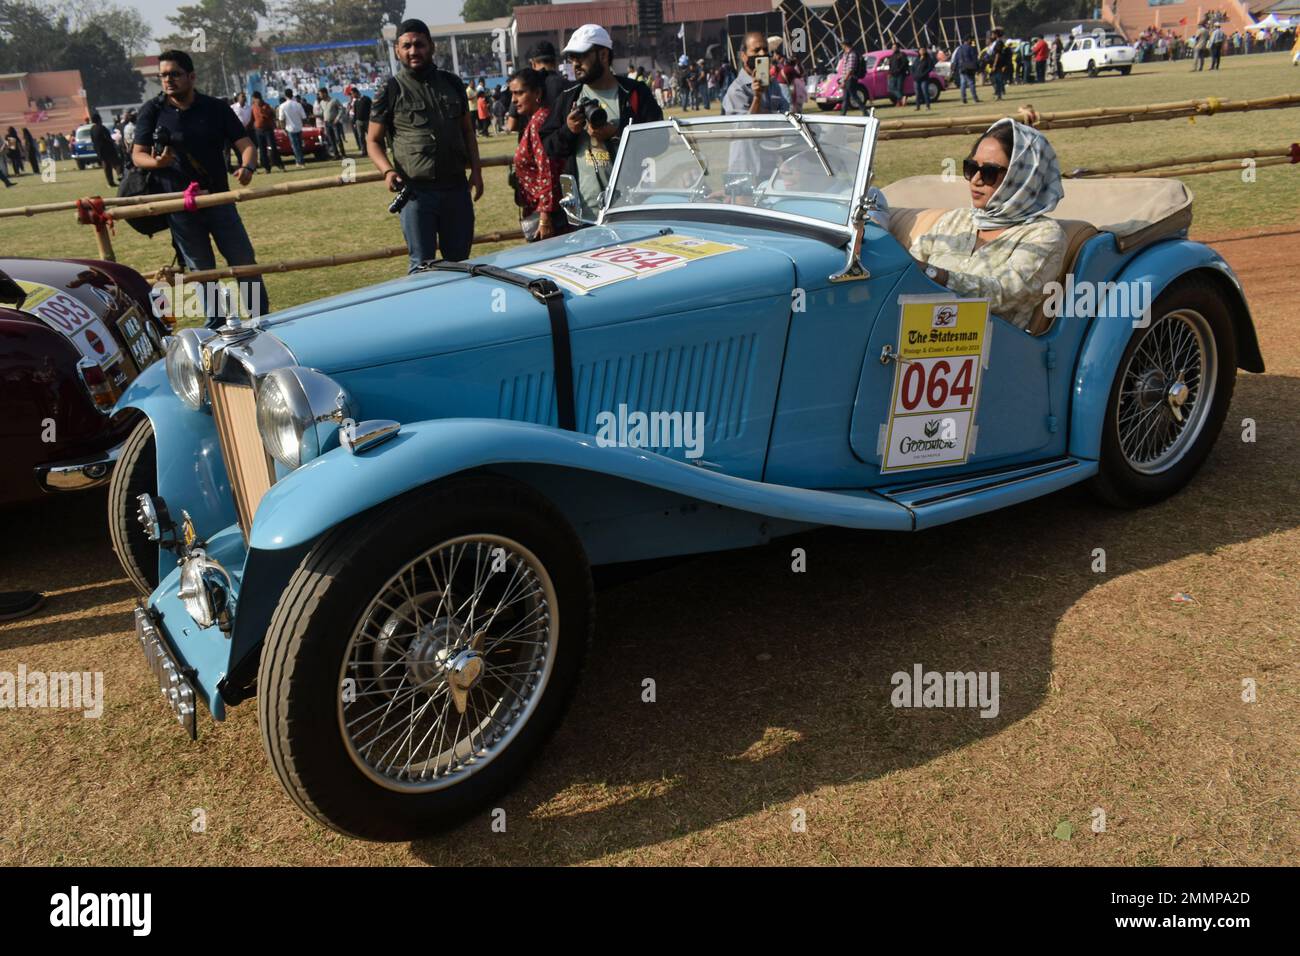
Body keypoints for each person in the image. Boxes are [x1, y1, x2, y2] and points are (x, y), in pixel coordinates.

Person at [132, 49, 269, 325]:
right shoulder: (153, 111)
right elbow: (137, 154)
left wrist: (247, 167)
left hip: (219, 199)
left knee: (244, 262)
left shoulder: (215, 108)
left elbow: (246, 146)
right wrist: (158, 163)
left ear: (191, 76)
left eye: (174, 74)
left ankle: (259, 319)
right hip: (180, 206)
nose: (168, 80)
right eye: (163, 75)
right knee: (201, 271)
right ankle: (217, 326)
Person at [909, 118, 1067, 332]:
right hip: (920, 335)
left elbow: (1004, 292)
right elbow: (908, 267)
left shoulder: (1043, 235)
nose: (975, 179)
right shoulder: (955, 220)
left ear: (1021, 177)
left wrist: (935, 274)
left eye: (989, 172)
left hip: (990, 348)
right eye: (971, 167)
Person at [367, 18, 483, 271]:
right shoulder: (390, 88)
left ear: (431, 46)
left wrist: (476, 170)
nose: (413, 51)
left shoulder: (452, 83)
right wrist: (387, 171)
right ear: (397, 50)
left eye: (419, 44)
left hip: (456, 188)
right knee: (422, 266)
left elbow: (467, 131)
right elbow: (373, 141)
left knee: (460, 263)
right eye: (406, 46)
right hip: (417, 194)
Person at [540, 23, 661, 221]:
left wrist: (617, 133)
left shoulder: (635, 93)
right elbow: (549, 147)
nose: (575, 63)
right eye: (572, 57)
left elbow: (659, 139)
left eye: (582, 56)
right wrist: (569, 130)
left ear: (603, 55)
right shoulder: (568, 97)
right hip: (582, 215)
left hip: (631, 210)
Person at [509, 67, 569, 242]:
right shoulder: (535, 120)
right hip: (537, 209)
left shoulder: (539, 123)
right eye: (512, 94)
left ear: (537, 93)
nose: (514, 100)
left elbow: (547, 169)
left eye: (519, 93)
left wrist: (544, 216)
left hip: (545, 215)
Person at [506, 41, 568, 135]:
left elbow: (511, 125)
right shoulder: (567, 84)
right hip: (561, 141)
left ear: (533, 63)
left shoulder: (526, 84)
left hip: (535, 142)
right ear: (555, 62)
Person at [723, 32, 790, 116]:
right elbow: (743, 126)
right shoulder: (737, 90)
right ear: (743, 56)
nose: (762, 54)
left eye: (765, 49)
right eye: (756, 50)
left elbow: (786, 114)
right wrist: (757, 97)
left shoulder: (772, 83)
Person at [250, 91, 284, 173]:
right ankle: (266, 167)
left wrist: (262, 110)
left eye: (255, 99)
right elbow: (252, 118)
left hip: (268, 130)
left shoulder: (266, 106)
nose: (254, 101)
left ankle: (278, 164)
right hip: (258, 130)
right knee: (262, 150)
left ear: (258, 98)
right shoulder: (253, 107)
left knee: (273, 148)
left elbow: (269, 115)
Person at [836, 38, 869, 115]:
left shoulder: (852, 55)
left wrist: (844, 80)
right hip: (848, 79)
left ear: (846, 45)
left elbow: (850, 69)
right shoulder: (846, 54)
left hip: (851, 79)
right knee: (846, 98)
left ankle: (865, 112)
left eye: (843, 45)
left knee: (854, 96)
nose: (842, 46)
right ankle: (843, 114)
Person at [277, 89, 307, 167]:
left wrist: (283, 128)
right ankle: (300, 160)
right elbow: (304, 117)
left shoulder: (282, 106)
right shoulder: (298, 104)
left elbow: (281, 119)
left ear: (285, 95)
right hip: (298, 127)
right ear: (292, 94)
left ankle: (300, 162)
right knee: (299, 145)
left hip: (290, 128)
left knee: (295, 146)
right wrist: (302, 124)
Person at [89, 112, 119, 187]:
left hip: (99, 150)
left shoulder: (92, 129)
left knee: (106, 166)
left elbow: (92, 140)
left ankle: (110, 182)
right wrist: (114, 142)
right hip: (108, 149)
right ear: (99, 119)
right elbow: (108, 138)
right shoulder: (102, 127)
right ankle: (120, 177)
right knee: (116, 163)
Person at [952, 37, 981, 103]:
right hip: (969, 68)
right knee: (971, 83)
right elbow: (974, 58)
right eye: (970, 40)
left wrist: (954, 68)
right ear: (967, 40)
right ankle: (975, 98)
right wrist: (977, 67)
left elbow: (956, 59)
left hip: (961, 68)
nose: (971, 41)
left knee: (963, 84)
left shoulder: (959, 49)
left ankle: (963, 98)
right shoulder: (970, 48)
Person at [347, 86, 372, 152]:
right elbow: (355, 113)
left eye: (352, 94)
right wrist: (355, 122)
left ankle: (373, 149)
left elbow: (371, 109)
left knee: (371, 136)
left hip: (367, 121)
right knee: (361, 137)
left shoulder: (366, 99)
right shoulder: (355, 102)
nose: (352, 95)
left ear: (356, 93)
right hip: (358, 122)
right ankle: (364, 151)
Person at [911, 43, 934, 111]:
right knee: (917, 93)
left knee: (925, 92)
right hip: (916, 79)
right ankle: (918, 106)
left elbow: (930, 67)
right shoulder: (917, 59)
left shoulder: (928, 58)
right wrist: (913, 74)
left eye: (923, 50)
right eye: (920, 50)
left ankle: (928, 106)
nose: (922, 51)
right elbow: (913, 67)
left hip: (924, 78)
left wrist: (924, 74)